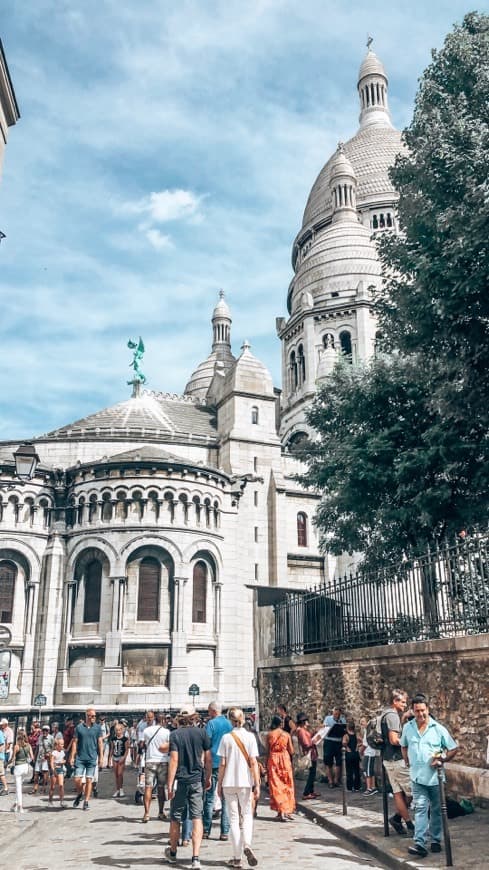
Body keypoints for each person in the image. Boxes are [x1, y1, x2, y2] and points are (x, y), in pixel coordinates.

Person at [401, 694, 458, 858]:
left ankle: (435, 840)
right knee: (420, 809)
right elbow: (403, 745)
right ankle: (419, 842)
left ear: (428, 709)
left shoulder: (438, 729)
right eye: (417, 711)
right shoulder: (408, 728)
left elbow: (453, 748)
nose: (420, 714)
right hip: (417, 778)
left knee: (436, 810)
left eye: (423, 710)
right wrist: (406, 760)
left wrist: (443, 759)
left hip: (435, 778)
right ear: (413, 710)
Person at [165, 708, 212, 870]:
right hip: (196, 780)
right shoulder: (202, 733)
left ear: (180, 719)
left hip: (181, 780)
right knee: (197, 816)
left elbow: (174, 760)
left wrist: (169, 784)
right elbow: (207, 758)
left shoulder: (175, 735)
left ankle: (172, 852)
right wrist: (208, 776)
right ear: (194, 718)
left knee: (175, 816)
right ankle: (196, 857)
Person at [217, 706, 260, 868]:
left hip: (229, 782)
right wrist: (257, 783)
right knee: (247, 815)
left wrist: (219, 784)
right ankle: (247, 844)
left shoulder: (226, 738)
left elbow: (222, 764)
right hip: (245, 782)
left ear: (230, 720)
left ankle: (236, 857)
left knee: (233, 819)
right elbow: (254, 762)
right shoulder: (250, 737)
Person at [381, 689, 414, 836]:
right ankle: (408, 823)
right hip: (396, 759)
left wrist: (403, 718)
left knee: (398, 793)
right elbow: (394, 739)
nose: (405, 705)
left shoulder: (386, 714)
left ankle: (398, 819)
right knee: (413, 791)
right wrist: (409, 742)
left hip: (388, 759)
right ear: (395, 701)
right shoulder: (392, 716)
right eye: (403, 702)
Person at [203, 701, 232, 840]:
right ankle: (225, 831)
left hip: (213, 762)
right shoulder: (229, 724)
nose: (208, 714)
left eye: (209, 711)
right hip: (226, 763)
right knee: (225, 798)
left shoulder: (211, 724)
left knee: (209, 797)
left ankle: (206, 830)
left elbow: (206, 742)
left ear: (213, 711)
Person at [69, 707, 104, 811]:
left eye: (94, 716)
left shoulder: (97, 728)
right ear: (87, 716)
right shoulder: (79, 728)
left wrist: (101, 757)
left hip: (92, 758)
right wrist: (72, 756)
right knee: (77, 779)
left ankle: (86, 801)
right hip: (80, 757)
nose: (94, 718)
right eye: (92, 716)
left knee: (89, 780)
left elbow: (100, 743)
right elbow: (75, 742)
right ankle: (80, 793)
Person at [142, 709, 170, 822]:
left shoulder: (147, 731)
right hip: (163, 761)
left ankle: (146, 813)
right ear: (163, 720)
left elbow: (143, 744)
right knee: (161, 788)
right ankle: (161, 812)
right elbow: (168, 746)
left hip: (150, 760)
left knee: (148, 787)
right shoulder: (167, 732)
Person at [266, 714, 295, 822]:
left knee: (276, 786)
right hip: (285, 760)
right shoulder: (286, 735)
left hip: (273, 760)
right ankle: (286, 810)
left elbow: (267, 751)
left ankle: (281, 811)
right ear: (281, 724)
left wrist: (265, 765)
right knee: (287, 785)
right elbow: (291, 751)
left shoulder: (269, 735)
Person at [295, 712, 320, 799]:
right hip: (310, 754)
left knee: (312, 773)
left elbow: (308, 739)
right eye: (306, 721)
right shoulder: (301, 731)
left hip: (312, 753)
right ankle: (306, 792)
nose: (308, 722)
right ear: (303, 722)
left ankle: (311, 791)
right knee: (312, 774)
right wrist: (314, 740)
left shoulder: (302, 730)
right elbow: (307, 744)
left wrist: (314, 734)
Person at [322, 706, 346, 788]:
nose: (336, 716)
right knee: (328, 762)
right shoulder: (328, 719)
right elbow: (324, 728)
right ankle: (330, 781)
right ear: (333, 713)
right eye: (335, 714)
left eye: (338, 714)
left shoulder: (342, 720)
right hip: (329, 742)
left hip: (338, 742)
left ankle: (336, 780)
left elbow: (344, 730)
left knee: (339, 762)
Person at [10, 728, 33, 812]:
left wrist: (7, 764)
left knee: (18, 789)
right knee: (19, 786)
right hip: (26, 768)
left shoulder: (16, 746)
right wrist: (27, 761)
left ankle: (20, 807)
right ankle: (15, 804)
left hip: (18, 768)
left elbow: (13, 759)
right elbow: (32, 757)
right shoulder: (28, 745)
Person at [109, 721, 130, 798]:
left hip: (121, 757)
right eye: (116, 730)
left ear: (122, 730)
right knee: (116, 775)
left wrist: (124, 758)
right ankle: (117, 789)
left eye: (119, 730)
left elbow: (127, 750)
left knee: (120, 774)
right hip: (114, 757)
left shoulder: (125, 739)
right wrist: (110, 759)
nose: (118, 731)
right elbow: (112, 749)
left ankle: (121, 789)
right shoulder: (113, 739)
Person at [360, 715, 379, 795]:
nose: (361, 723)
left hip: (369, 753)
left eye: (363, 721)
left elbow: (365, 744)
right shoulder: (368, 730)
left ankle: (369, 788)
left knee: (367, 770)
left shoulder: (368, 731)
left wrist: (361, 751)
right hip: (371, 753)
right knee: (370, 770)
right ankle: (373, 787)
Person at [342, 719, 361, 791]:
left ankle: (349, 787)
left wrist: (347, 747)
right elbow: (361, 741)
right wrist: (357, 746)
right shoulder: (356, 735)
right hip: (355, 753)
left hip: (349, 754)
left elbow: (344, 743)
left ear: (347, 728)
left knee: (349, 771)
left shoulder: (346, 736)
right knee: (356, 770)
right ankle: (357, 787)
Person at [48, 735, 67, 807]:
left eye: (63, 744)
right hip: (55, 770)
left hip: (60, 769)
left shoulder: (62, 752)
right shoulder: (54, 752)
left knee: (61, 786)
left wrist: (63, 761)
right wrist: (53, 770)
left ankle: (62, 801)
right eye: (61, 744)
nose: (63, 745)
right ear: (57, 745)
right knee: (52, 786)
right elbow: (51, 762)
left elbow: (63, 760)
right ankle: (50, 801)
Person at [0, 718, 9, 795]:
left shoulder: (0, 733)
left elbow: (2, 745)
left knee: (1, 773)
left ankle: (6, 788)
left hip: (0, 757)